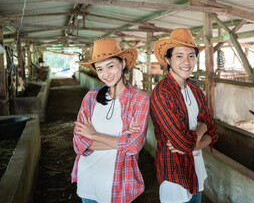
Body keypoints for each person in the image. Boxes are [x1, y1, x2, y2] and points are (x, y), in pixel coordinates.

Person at [71, 38, 150, 203]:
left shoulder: (139, 99)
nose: (105, 74)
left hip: (118, 185)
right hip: (88, 180)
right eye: (100, 69)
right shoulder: (91, 97)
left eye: (110, 66)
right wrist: (120, 141)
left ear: (122, 63)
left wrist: (93, 135)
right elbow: (78, 144)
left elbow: (134, 146)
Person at [150, 28, 218, 203]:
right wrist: (202, 129)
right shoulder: (162, 94)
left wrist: (196, 137)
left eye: (191, 56)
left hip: (197, 169)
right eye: (179, 56)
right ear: (168, 60)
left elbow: (213, 132)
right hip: (174, 174)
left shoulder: (194, 89)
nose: (186, 62)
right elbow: (187, 142)